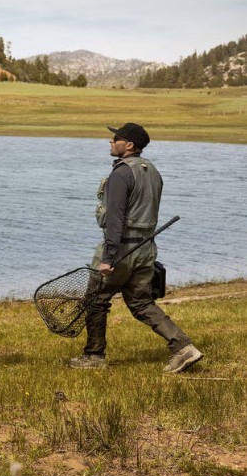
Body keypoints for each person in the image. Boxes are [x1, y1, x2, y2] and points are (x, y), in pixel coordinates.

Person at [69, 123, 202, 373]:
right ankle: (184, 347)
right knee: (141, 303)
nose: (111, 141)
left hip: (121, 250)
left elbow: (115, 219)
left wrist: (108, 257)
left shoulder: (121, 173)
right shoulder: (153, 171)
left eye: (116, 138)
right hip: (146, 248)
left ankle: (94, 357)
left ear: (129, 145)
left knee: (96, 300)